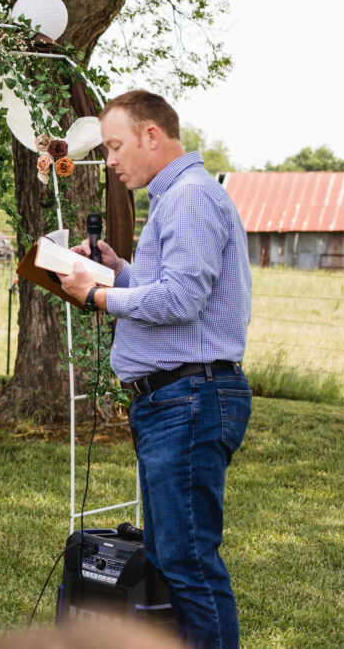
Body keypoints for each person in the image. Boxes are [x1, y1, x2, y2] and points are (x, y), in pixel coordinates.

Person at [60, 90, 252, 649]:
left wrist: (97, 295)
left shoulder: (189, 197)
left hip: (189, 397)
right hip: (178, 398)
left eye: (116, 145)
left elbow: (181, 300)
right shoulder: (176, 197)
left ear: (151, 135)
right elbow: (165, 288)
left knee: (189, 561)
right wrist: (120, 271)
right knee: (175, 554)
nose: (111, 159)